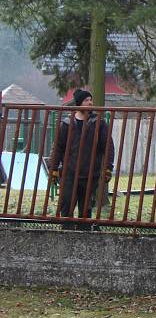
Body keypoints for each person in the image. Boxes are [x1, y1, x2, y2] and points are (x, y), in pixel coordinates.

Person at [49, 89, 114, 222]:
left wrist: (108, 168)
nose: (90, 103)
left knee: (85, 210)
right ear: (79, 104)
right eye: (86, 100)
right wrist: (54, 168)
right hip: (69, 173)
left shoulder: (99, 124)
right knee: (66, 207)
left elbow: (108, 147)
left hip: (91, 173)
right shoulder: (66, 124)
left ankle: (85, 235)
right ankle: (66, 234)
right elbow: (58, 148)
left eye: (91, 100)